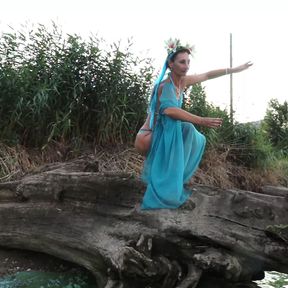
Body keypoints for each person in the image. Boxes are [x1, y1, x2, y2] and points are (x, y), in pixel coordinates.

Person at [135, 39, 252, 210]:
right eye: (182, 62)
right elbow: (169, 111)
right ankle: (165, 186)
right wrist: (202, 120)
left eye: (188, 62)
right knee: (186, 127)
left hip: (163, 132)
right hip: (148, 137)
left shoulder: (182, 82)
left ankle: (173, 179)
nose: (186, 66)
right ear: (171, 64)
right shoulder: (164, 86)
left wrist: (234, 70)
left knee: (195, 136)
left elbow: (207, 75)